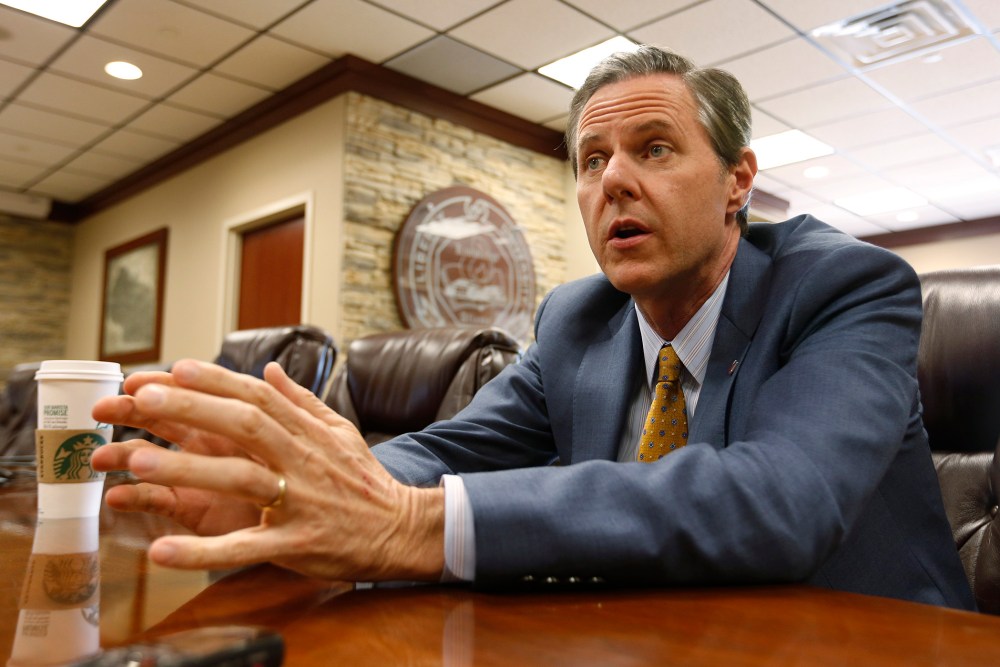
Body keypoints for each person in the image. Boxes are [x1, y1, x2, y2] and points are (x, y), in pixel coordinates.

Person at [91, 46, 975, 610]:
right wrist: (293, 486)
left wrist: (408, 525)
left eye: (654, 149)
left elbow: (782, 500)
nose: (614, 182)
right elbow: (445, 451)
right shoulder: (577, 318)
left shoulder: (847, 285)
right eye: (592, 161)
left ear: (738, 180)